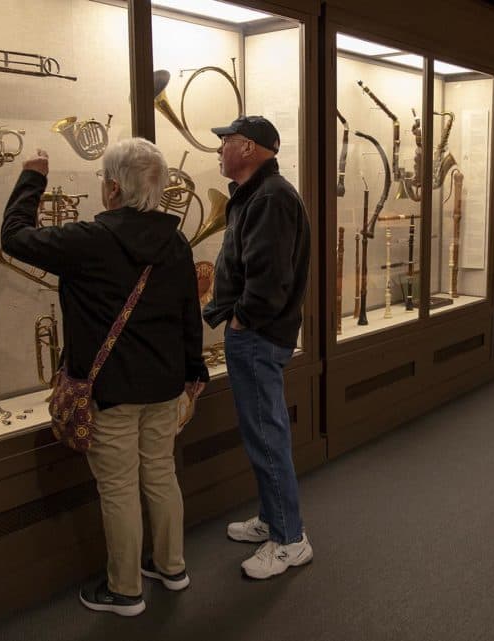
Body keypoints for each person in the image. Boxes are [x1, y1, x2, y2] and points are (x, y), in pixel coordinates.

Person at [0, 138, 208, 616]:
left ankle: (125, 590)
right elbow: (187, 316)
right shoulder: (175, 241)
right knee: (160, 473)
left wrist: (33, 176)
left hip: (110, 391)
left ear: (113, 189)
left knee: (117, 488)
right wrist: (193, 376)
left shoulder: (89, 239)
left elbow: (13, 236)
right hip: (163, 386)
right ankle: (171, 567)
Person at [202, 116, 312, 579]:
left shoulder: (270, 198)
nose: (220, 150)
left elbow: (269, 282)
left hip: (258, 337)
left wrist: (242, 320)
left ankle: (290, 540)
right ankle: (273, 520)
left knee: (267, 436)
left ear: (248, 147)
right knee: (261, 433)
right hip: (255, 336)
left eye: (225, 142)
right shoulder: (259, 195)